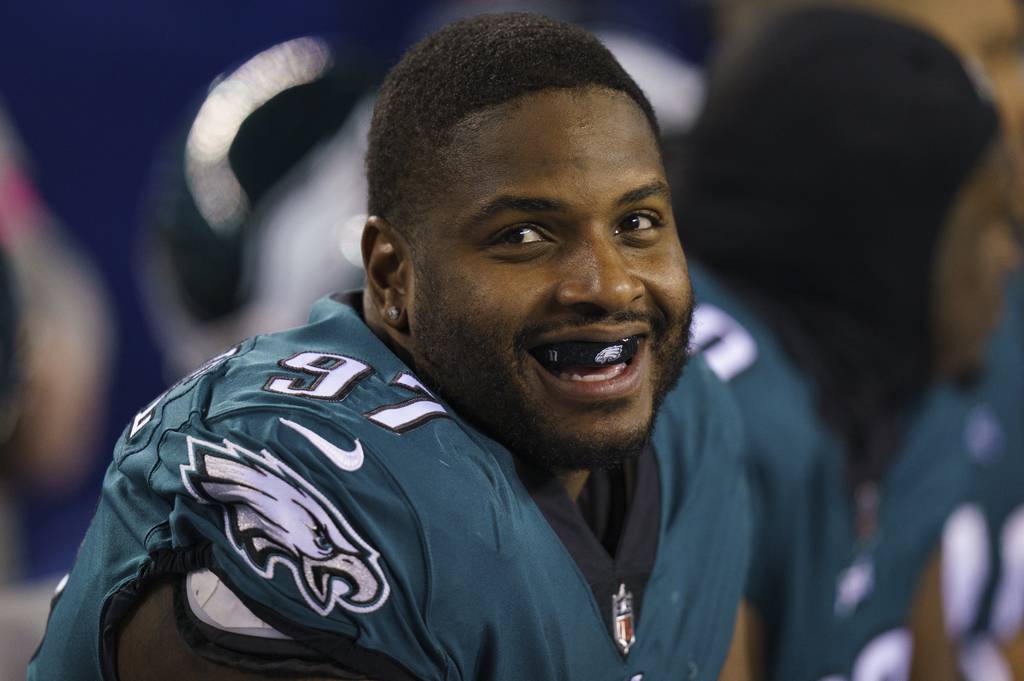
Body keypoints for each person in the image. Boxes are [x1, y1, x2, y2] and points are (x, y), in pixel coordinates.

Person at [29, 13, 753, 681]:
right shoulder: (333, 480)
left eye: (637, 223)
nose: (608, 284)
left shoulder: (695, 420)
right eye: (523, 236)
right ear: (389, 276)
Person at [677, 8, 1020, 681]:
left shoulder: (907, 375)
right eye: (982, 224)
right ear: (881, 237)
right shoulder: (719, 424)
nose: (1007, 256)